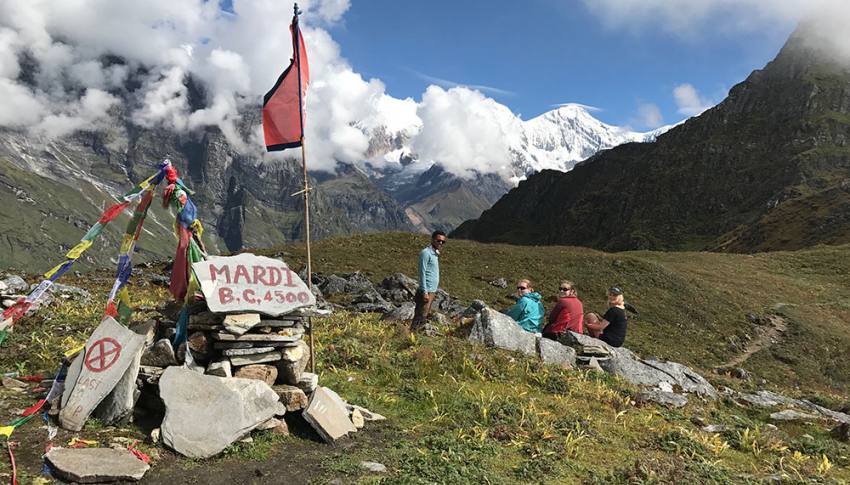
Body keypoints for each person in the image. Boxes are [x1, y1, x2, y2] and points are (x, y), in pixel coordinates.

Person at [411, 230, 446, 332]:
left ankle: (416, 336)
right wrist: (425, 292)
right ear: (432, 240)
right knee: (420, 315)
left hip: (432, 290)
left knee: (424, 315)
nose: (440, 243)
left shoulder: (435, 254)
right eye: (438, 240)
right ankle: (411, 336)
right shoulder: (426, 253)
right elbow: (422, 272)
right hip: (426, 291)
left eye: (443, 242)